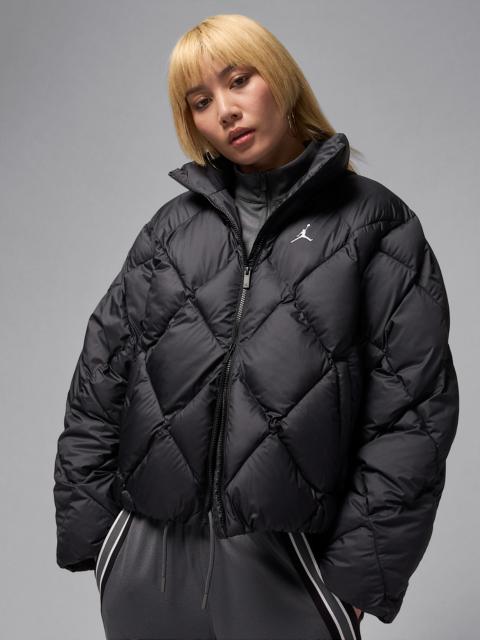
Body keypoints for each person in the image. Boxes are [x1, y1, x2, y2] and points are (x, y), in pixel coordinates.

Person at [53, 13, 459, 640]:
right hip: (149, 559)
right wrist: (101, 538)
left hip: (287, 560)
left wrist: (355, 580)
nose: (226, 111)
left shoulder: (376, 225)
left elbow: (412, 413)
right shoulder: (171, 231)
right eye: (201, 101)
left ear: (281, 79)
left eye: (239, 80)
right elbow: (99, 382)